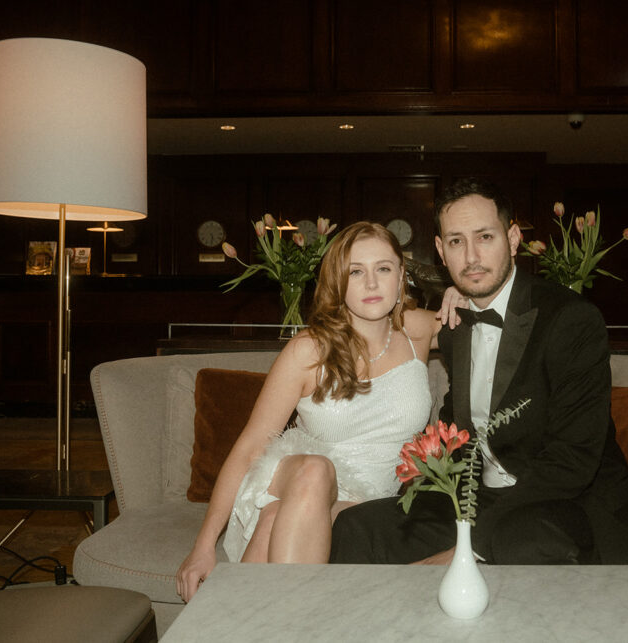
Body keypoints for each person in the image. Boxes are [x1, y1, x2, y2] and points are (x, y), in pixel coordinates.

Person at [330, 178, 628, 566]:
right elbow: (456, 430)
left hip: (564, 500)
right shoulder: (455, 325)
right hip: (478, 499)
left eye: (485, 237)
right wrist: (423, 485)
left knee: (522, 543)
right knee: (358, 525)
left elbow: (572, 460)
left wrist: (467, 547)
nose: (471, 256)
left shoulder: (571, 319)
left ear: (513, 238)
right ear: (440, 250)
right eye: (456, 241)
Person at [175, 221, 454, 603]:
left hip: (366, 504)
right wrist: (203, 546)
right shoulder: (310, 351)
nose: (371, 283)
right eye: (356, 271)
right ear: (338, 281)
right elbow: (250, 446)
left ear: (402, 276)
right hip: (295, 476)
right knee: (316, 470)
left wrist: (459, 294)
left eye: (383, 269)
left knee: (275, 521)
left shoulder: (416, 332)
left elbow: (486, 311)